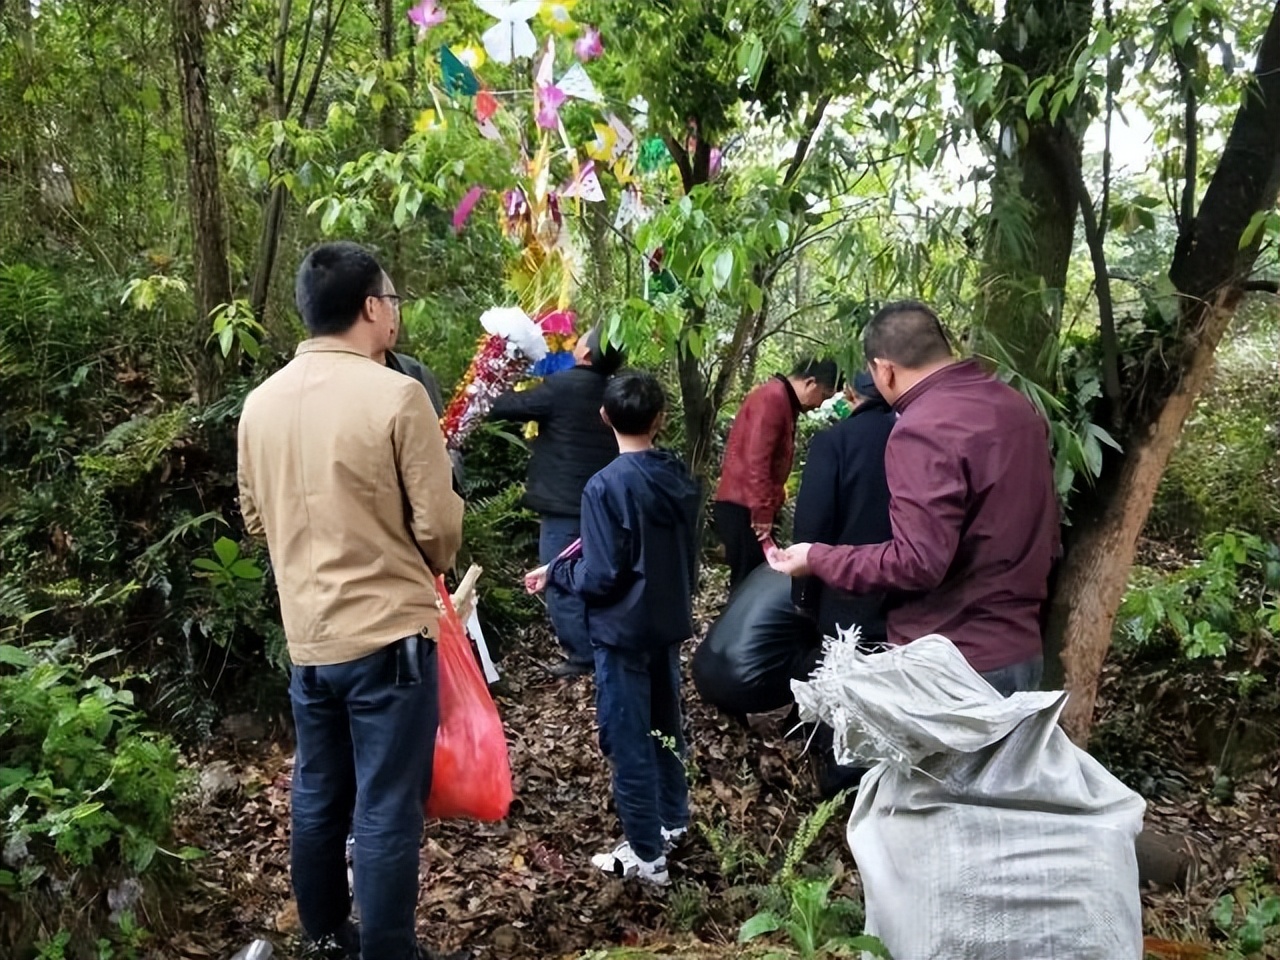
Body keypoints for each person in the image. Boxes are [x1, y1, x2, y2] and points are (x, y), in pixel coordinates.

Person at [237, 241, 464, 960]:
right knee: (388, 805)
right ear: (371, 307)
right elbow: (438, 532)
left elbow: (252, 518)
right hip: (389, 637)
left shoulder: (259, 404)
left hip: (309, 637)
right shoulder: (396, 395)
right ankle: (389, 950)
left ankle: (326, 935)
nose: (393, 313)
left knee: (318, 792)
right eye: (391, 299)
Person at [768, 301, 1059, 696]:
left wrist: (816, 557)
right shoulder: (1017, 408)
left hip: (952, 663)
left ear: (884, 369)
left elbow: (918, 562)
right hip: (1020, 651)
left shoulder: (923, 426)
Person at [524, 371, 699, 885]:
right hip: (664, 624)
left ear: (605, 418)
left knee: (629, 739)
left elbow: (601, 574)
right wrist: (558, 565)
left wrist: (560, 574)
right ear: (661, 418)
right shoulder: (676, 475)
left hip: (622, 633)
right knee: (666, 727)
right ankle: (672, 818)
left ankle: (647, 853)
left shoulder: (605, 486)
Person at [490, 325, 624, 678]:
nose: (576, 340)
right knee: (602, 575)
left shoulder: (562, 386)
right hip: (606, 505)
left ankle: (581, 656)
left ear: (587, 354)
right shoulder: (617, 392)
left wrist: (491, 377)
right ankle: (602, 645)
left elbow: (506, 406)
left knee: (559, 576)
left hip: (564, 506)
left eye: (583, 339)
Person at [713, 358, 838, 591]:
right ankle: (738, 627)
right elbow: (756, 458)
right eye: (824, 395)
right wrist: (761, 513)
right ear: (810, 383)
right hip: (744, 506)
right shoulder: (773, 398)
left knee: (752, 581)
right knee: (748, 584)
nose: (820, 404)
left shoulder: (781, 400)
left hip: (747, 503)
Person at [791, 370, 895, 644]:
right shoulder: (919, 436)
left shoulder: (834, 441)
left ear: (851, 394)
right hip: (911, 603)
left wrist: (803, 595)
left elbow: (813, 522)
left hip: (846, 597)